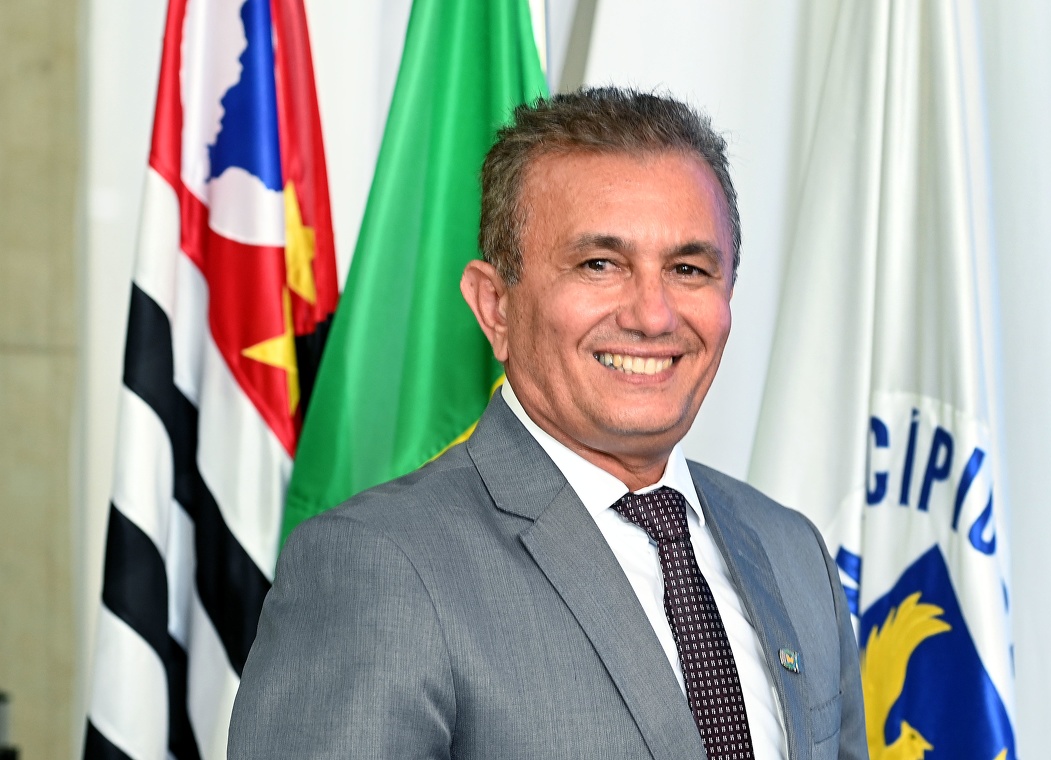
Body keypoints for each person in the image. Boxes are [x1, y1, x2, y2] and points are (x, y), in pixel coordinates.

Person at [228, 87, 867, 760]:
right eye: (599, 265)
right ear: (495, 307)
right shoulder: (378, 568)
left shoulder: (793, 552)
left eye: (688, 268)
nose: (653, 316)